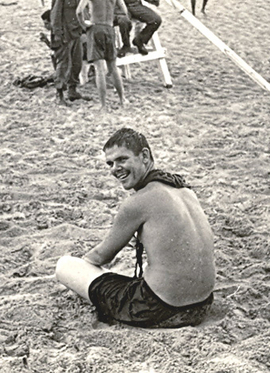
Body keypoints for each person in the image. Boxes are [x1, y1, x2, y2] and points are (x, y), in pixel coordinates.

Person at [55, 128, 216, 328]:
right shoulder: (184, 191)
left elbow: (101, 257)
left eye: (122, 159)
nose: (115, 169)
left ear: (145, 156)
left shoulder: (138, 202)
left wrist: (82, 270)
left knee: (65, 265)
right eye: (110, 163)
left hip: (159, 309)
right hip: (203, 305)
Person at [76, 0, 127, 111]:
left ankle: (103, 105)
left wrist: (84, 25)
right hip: (109, 27)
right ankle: (122, 99)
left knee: (99, 69)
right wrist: (111, 19)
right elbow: (124, 10)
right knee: (113, 66)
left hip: (95, 27)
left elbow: (79, 11)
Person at [50, 0, 92, 105]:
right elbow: (55, 13)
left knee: (77, 63)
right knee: (63, 65)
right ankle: (60, 95)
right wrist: (57, 34)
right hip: (65, 33)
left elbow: (84, 10)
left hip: (77, 32)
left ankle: (72, 91)